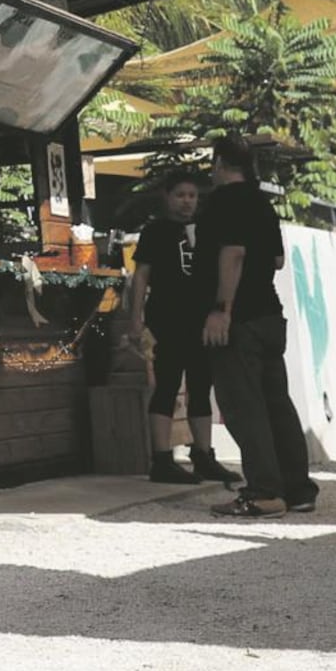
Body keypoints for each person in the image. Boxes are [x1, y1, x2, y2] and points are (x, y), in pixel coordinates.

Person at [201, 136, 320, 518]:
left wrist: (221, 309)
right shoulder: (261, 202)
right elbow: (278, 259)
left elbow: (233, 253)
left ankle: (264, 492)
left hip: (240, 318)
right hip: (269, 313)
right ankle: (297, 489)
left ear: (220, 163)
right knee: (276, 403)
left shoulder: (223, 201)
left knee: (243, 406)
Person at [126, 169, 236, 488]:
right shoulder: (155, 231)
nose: (186, 201)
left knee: (201, 385)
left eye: (192, 196)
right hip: (166, 317)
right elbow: (141, 275)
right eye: (180, 195)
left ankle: (203, 454)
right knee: (167, 384)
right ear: (168, 197)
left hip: (201, 319)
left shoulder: (206, 230)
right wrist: (135, 317)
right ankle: (161, 459)